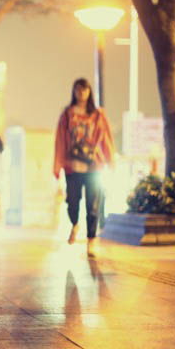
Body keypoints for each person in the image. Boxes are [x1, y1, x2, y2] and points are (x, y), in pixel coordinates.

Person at [53, 77, 114, 257]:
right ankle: (74, 224)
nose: (81, 93)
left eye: (85, 89)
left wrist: (110, 160)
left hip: (93, 167)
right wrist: (58, 164)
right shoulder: (67, 114)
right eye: (78, 89)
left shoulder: (97, 114)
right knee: (72, 202)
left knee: (92, 205)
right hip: (73, 166)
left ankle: (91, 240)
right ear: (73, 91)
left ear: (89, 92)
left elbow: (106, 138)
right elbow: (60, 140)